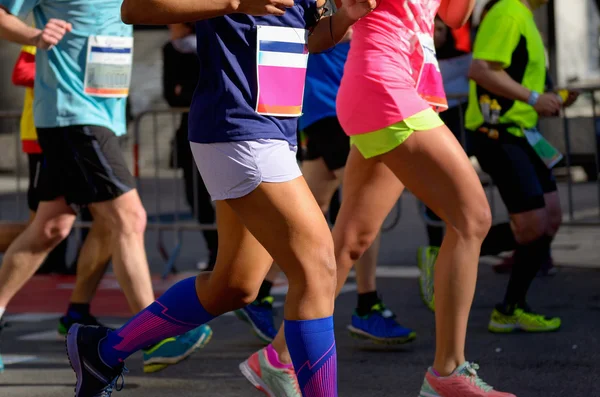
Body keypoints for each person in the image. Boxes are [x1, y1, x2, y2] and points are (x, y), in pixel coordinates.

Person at [66, 0, 375, 396]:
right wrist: (235, 2)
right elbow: (135, 9)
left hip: (275, 131)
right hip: (239, 130)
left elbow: (305, 38)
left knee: (235, 284)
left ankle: (103, 353)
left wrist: (346, 17)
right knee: (317, 269)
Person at [241, 0, 518, 395]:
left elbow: (454, 16)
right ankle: (448, 373)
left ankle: (278, 357)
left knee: (349, 241)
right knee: (472, 219)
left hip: (401, 87)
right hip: (384, 86)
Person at [0, 0, 211, 374]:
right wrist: (33, 34)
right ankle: (154, 337)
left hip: (106, 113)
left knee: (51, 227)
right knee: (129, 219)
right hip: (73, 113)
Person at [466, 0, 578, 334]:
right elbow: (481, 70)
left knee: (550, 218)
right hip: (496, 134)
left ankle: (511, 308)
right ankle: (449, 250)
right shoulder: (508, 11)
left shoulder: (524, 16)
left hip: (523, 135)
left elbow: (515, 76)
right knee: (532, 224)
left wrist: (552, 96)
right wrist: (533, 98)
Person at [417, 14, 518, 313]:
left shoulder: (463, 58)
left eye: (440, 28)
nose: (436, 33)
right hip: (415, 127)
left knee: (472, 216)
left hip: (454, 134)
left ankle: (450, 355)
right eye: (431, 27)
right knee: (353, 237)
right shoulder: (413, 52)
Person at [163, 22, 219, 271]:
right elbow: (171, 96)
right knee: (194, 195)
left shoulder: (212, 45)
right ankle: (215, 248)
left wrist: (187, 91)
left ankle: (230, 253)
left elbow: (214, 88)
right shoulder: (170, 49)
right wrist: (192, 93)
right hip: (189, 133)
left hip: (219, 130)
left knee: (231, 196)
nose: (168, 24)